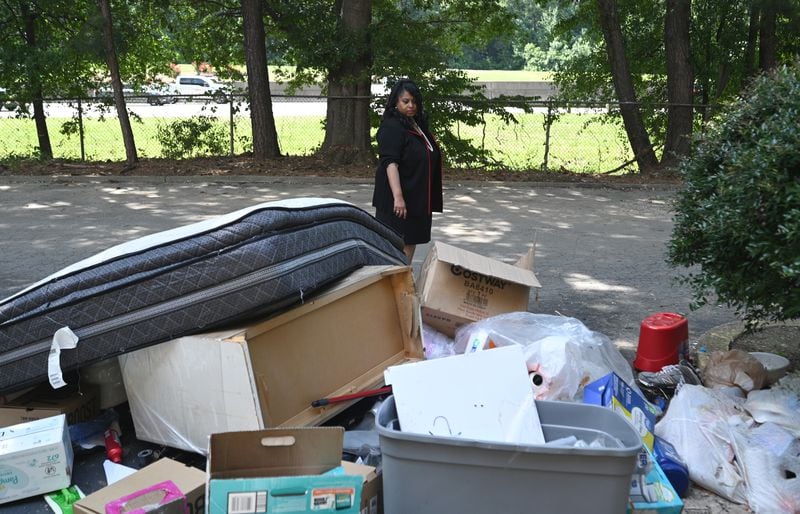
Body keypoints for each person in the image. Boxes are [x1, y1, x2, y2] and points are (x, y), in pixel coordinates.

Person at [372, 78, 443, 263]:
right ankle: (396, 285)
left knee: (410, 243)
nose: (411, 105)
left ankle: (402, 282)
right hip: (399, 200)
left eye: (414, 101)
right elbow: (390, 163)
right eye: (406, 101)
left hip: (418, 197)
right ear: (396, 101)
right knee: (396, 248)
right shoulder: (392, 126)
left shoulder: (417, 125)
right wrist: (398, 197)